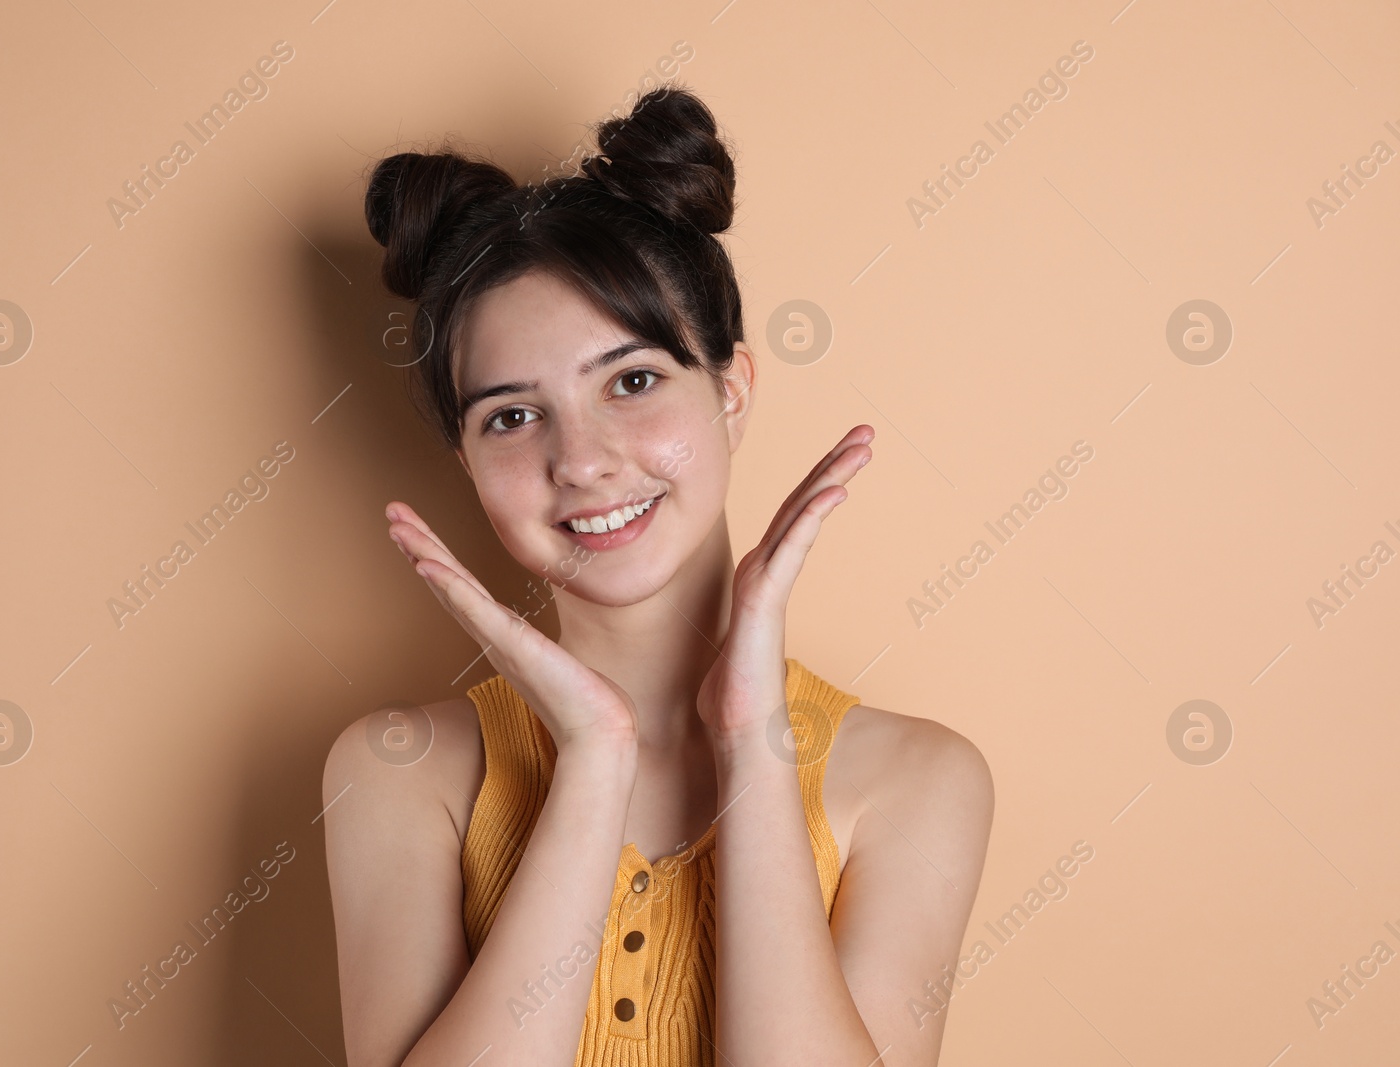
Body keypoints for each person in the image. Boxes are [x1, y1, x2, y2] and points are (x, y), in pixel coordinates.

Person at [322, 84, 994, 1067]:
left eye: (631, 381)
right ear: (466, 461)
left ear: (729, 391)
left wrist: (751, 743)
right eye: (511, 415)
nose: (582, 459)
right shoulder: (395, 771)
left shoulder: (917, 780)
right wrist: (596, 756)